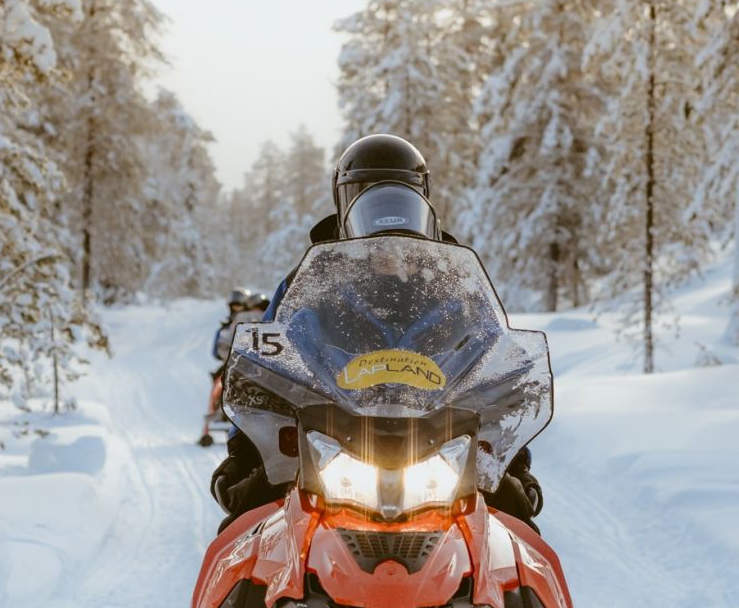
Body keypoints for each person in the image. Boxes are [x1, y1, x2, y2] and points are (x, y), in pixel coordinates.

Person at [210, 134, 544, 524]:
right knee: (244, 529)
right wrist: (244, 452)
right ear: (344, 203)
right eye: (368, 196)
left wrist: (515, 461)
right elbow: (267, 360)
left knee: (516, 535)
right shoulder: (315, 284)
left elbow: (493, 362)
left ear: (421, 201)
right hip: (331, 446)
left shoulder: (456, 287)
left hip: (441, 449)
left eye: (398, 199)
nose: (387, 223)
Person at [199, 288, 267, 447]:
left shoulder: (266, 322)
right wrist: (228, 354)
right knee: (219, 382)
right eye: (234, 306)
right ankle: (213, 416)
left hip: (260, 362)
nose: (237, 309)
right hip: (234, 361)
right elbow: (220, 344)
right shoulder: (232, 323)